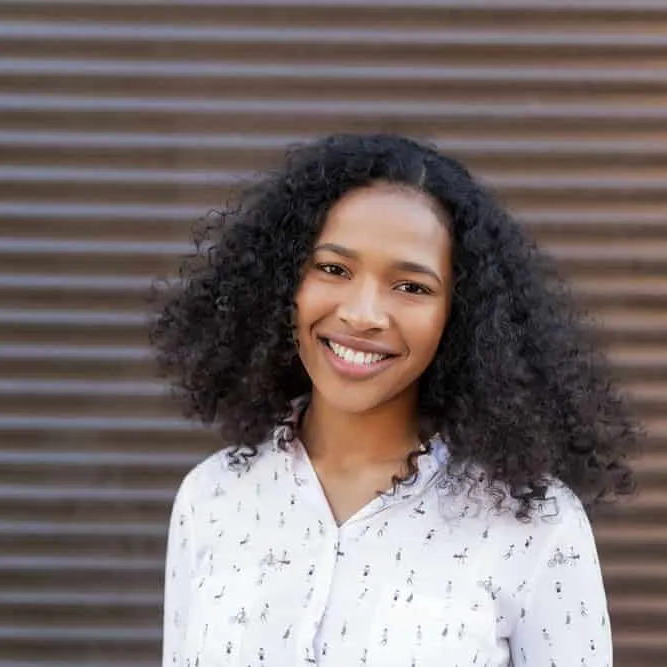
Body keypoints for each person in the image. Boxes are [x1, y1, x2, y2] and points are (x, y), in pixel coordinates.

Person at [151, 133, 638, 667]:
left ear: (461, 318)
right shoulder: (213, 498)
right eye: (333, 269)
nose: (362, 314)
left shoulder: (534, 525)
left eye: (411, 286)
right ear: (284, 283)